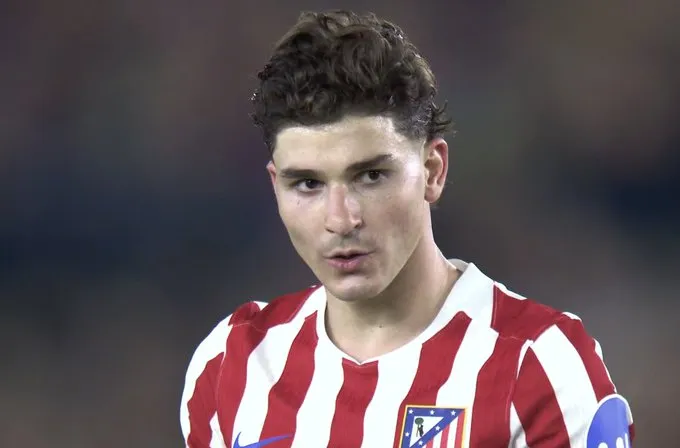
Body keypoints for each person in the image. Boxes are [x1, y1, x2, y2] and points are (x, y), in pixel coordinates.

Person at [180, 10, 634, 448]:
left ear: (433, 171)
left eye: (370, 176)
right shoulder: (232, 362)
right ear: (275, 187)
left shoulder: (540, 364)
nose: (341, 219)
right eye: (308, 184)